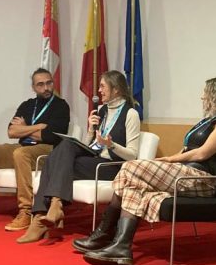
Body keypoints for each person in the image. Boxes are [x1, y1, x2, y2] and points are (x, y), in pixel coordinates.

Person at [75, 76, 216, 265]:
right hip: (183, 172)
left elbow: (202, 153)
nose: (202, 97)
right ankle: (120, 247)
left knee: (130, 167)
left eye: (206, 93)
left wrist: (169, 160)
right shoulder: (206, 122)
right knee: (132, 184)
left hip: (200, 179)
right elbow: (187, 150)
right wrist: (167, 159)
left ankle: (105, 234)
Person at [18, 70, 140, 243]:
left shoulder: (131, 114)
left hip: (112, 167)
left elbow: (132, 156)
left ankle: (41, 216)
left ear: (116, 90)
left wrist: (111, 145)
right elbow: (91, 145)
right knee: (64, 147)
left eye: (103, 86)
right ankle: (53, 207)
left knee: (53, 162)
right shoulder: (102, 110)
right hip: (94, 159)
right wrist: (90, 130)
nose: (99, 91)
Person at [0, 68, 70, 232]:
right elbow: (12, 132)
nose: (46, 88)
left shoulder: (61, 106)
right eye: (40, 84)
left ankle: (26, 211)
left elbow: (51, 136)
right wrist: (38, 127)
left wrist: (25, 128)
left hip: (47, 150)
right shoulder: (27, 105)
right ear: (33, 87)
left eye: (49, 83)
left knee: (21, 153)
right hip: (23, 146)